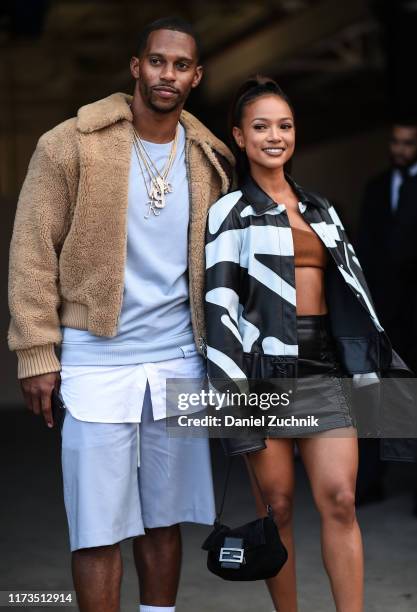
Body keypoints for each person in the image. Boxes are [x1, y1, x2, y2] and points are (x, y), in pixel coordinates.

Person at [8, 17, 233, 612]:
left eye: (181, 65)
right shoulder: (70, 144)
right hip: (94, 357)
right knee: (98, 523)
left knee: (164, 518)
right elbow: (32, 250)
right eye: (157, 61)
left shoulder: (211, 158)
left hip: (179, 358)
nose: (168, 74)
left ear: (196, 76)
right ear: (136, 67)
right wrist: (37, 352)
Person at [204, 76, 397, 612]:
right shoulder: (229, 213)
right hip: (262, 373)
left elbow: (354, 295)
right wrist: (233, 399)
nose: (274, 136)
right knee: (279, 509)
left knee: (339, 500)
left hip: (324, 369)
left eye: (284, 126)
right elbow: (218, 309)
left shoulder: (322, 209)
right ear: (239, 137)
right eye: (260, 126)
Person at [356, 120, 417, 508]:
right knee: (375, 396)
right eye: (395, 142)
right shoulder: (376, 187)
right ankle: (371, 482)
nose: (400, 149)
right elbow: (364, 248)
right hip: (382, 312)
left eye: (408, 143)